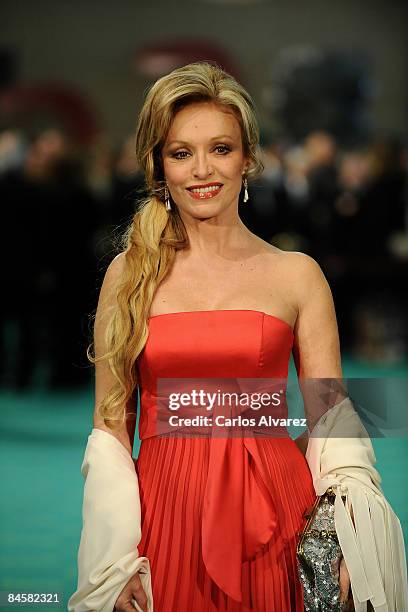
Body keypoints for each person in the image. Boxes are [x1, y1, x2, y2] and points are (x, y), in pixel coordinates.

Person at [68, 62, 408, 612]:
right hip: (164, 514)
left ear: (248, 158)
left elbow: (332, 415)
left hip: (275, 512)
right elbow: (110, 425)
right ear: (159, 166)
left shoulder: (297, 273)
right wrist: (113, 559)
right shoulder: (128, 273)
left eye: (220, 149)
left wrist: (349, 530)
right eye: (181, 153)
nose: (203, 170)